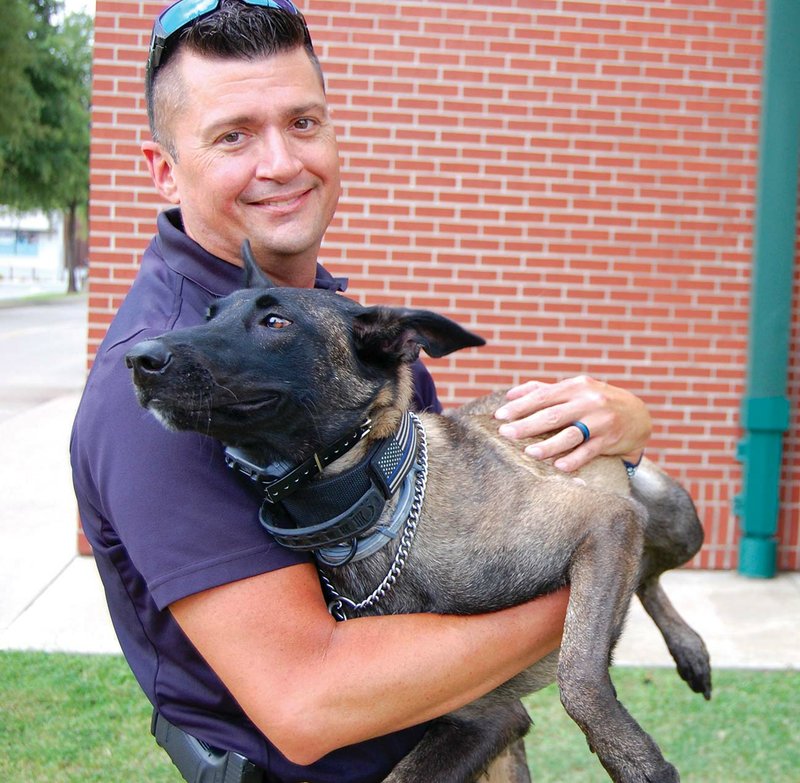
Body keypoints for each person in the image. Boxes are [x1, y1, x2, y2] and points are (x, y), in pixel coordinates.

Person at [70, 1, 650, 781]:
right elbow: (311, 698)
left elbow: (451, 525)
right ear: (163, 168)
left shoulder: (332, 333)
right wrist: (604, 566)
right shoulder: (169, 386)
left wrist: (615, 424)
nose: (281, 162)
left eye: (303, 121)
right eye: (233, 134)